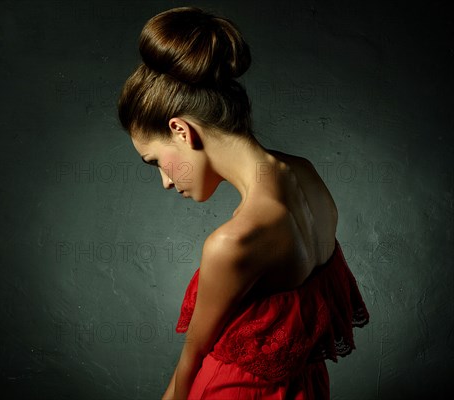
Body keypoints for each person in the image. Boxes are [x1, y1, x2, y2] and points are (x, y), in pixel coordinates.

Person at [117, 6, 370, 400]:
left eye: (156, 162)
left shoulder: (234, 242)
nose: (166, 181)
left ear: (181, 131)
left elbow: (190, 365)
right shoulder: (306, 175)